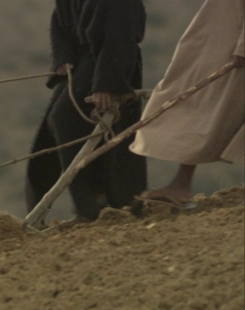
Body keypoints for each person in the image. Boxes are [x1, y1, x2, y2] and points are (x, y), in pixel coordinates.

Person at [25, 0, 147, 221]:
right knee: (55, 126)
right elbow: (60, 19)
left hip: (109, 60)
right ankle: (86, 206)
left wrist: (107, 84)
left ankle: (102, 205)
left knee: (67, 120)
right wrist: (63, 57)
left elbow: (121, 34)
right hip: (83, 60)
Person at [131, 0, 245, 207]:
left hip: (230, 43)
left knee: (207, 106)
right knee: (199, 107)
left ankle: (180, 186)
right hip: (219, 38)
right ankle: (180, 185)